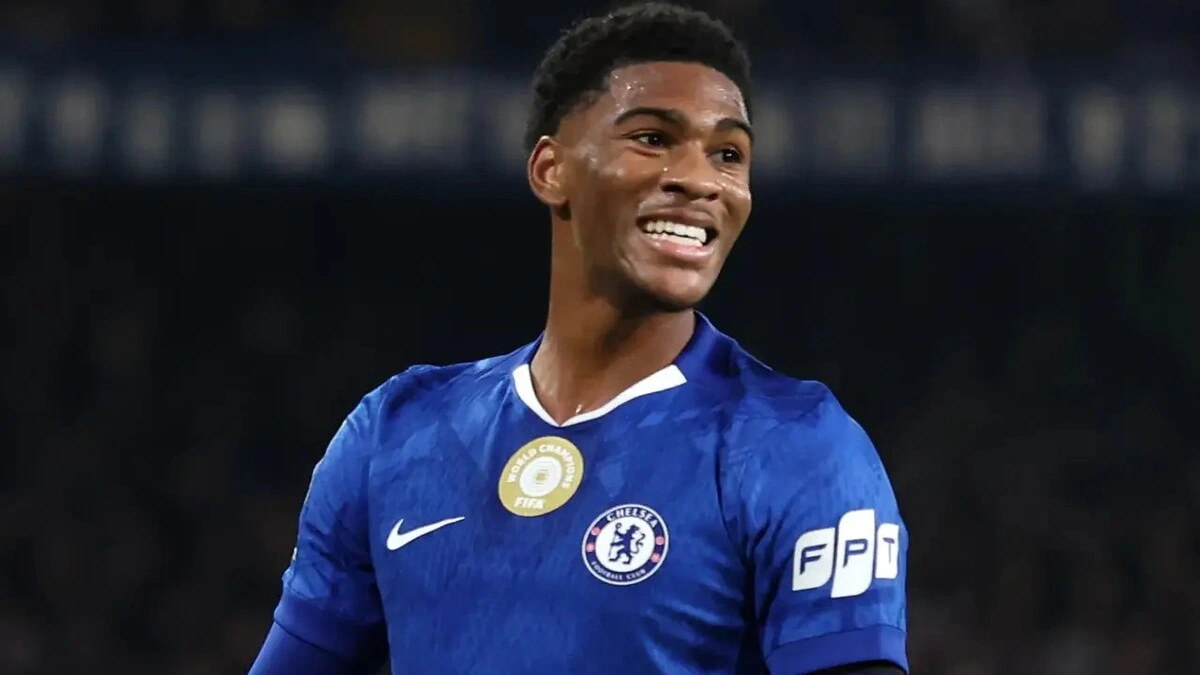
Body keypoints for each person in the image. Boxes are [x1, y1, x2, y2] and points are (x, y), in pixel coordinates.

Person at [249, 2, 908, 673]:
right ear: (550, 169)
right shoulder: (395, 433)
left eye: (728, 154)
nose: (699, 179)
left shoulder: (797, 447)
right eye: (653, 138)